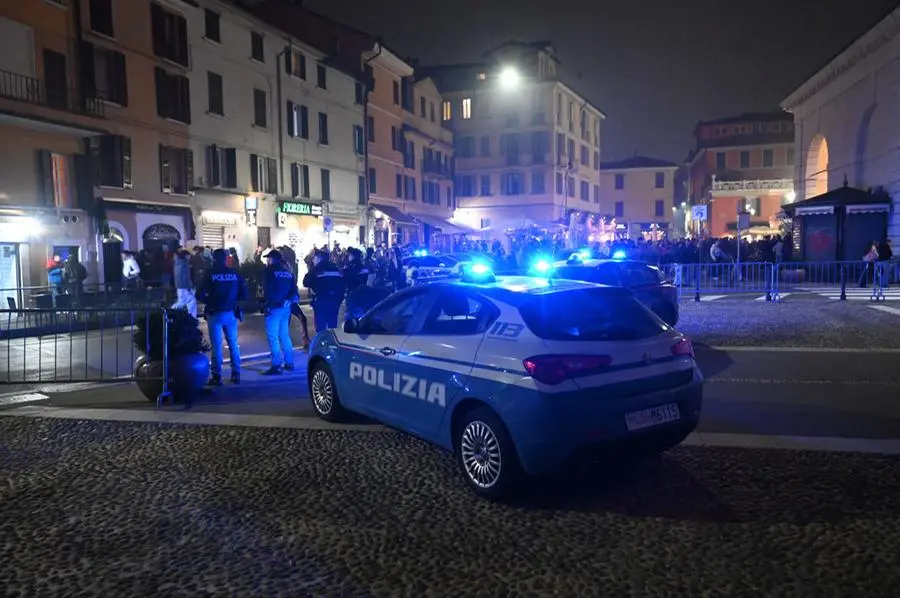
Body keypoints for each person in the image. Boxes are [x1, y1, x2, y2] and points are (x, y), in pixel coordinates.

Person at [196, 248, 246, 386]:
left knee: (217, 346)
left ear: (214, 259)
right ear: (226, 258)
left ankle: (217, 376)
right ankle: (236, 374)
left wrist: (211, 301)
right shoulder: (234, 273)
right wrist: (233, 301)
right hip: (230, 312)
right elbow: (244, 294)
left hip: (215, 312)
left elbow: (199, 294)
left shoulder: (210, 273)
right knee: (233, 344)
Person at [261, 250, 299, 375]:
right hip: (285, 308)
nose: (267, 260)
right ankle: (289, 362)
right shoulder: (288, 272)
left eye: (268, 258)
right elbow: (294, 290)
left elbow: (268, 290)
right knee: (284, 335)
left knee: (273, 337)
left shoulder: (269, 271)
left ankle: (276, 365)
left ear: (272, 259)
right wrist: (287, 300)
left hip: (274, 307)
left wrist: (268, 304)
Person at [302, 249, 345, 334]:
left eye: (314, 258)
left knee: (321, 328)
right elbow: (342, 286)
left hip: (321, 301)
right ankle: (332, 344)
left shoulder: (317, 269)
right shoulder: (336, 268)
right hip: (334, 302)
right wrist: (338, 301)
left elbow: (305, 282)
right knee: (332, 326)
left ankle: (321, 345)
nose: (313, 260)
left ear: (319, 258)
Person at [171, 250, 197, 317]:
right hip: (185, 286)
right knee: (192, 302)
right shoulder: (185, 263)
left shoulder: (177, 263)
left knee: (181, 302)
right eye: (189, 255)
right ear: (185, 255)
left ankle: (169, 311)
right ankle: (192, 317)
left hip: (179, 285)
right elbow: (186, 276)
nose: (190, 257)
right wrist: (189, 287)